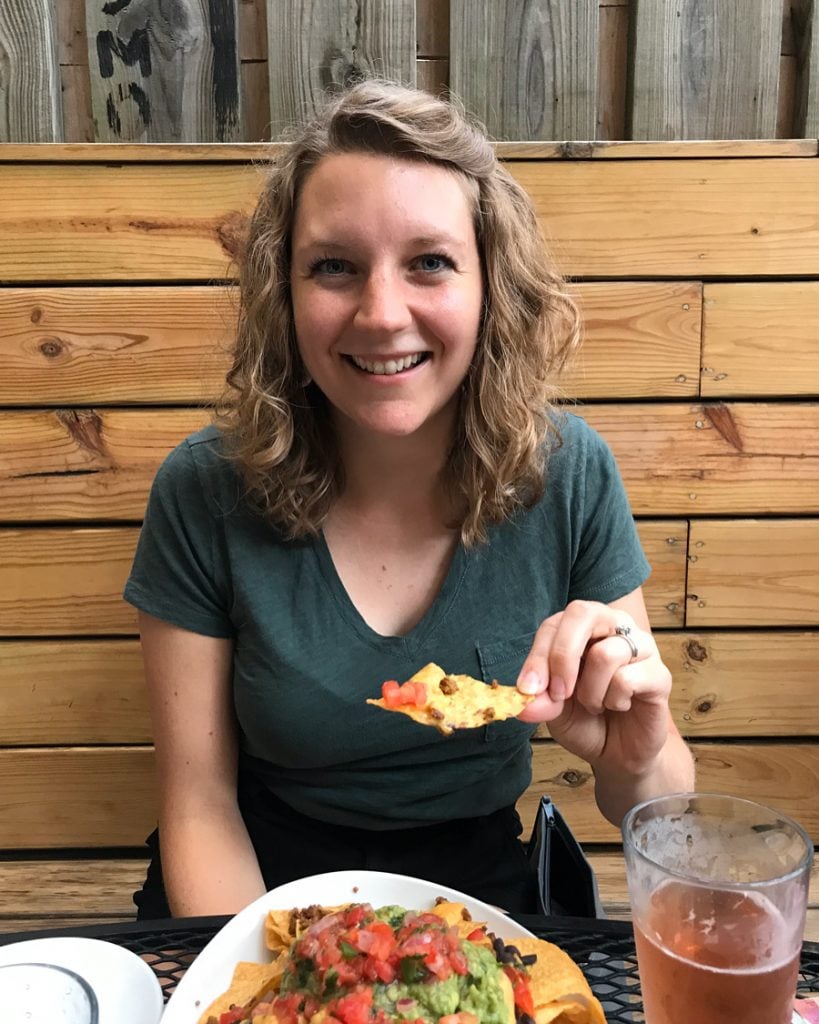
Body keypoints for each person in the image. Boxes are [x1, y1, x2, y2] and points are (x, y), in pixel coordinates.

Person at [124, 79, 695, 920]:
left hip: (480, 887)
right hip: (253, 879)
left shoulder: (569, 476)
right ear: (284, 295)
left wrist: (637, 752)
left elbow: (654, 809)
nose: (382, 313)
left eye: (428, 261)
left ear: (489, 283)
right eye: (333, 267)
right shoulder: (203, 490)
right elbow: (199, 805)